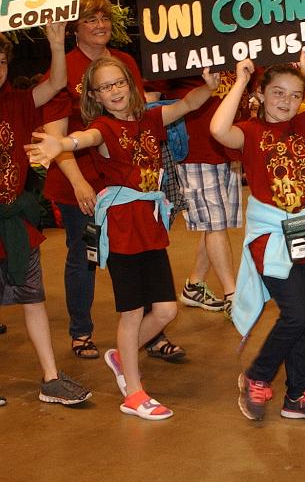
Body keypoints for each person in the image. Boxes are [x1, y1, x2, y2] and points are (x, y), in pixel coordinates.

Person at [27, 59, 219, 420]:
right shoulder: (103, 126)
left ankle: (121, 353)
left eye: (118, 83)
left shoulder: (148, 117)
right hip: (121, 226)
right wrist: (62, 143)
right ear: (95, 96)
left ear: (130, 84)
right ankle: (133, 392)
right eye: (105, 87)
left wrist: (209, 85)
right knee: (131, 312)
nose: (114, 91)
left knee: (165, 310)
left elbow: (189, 104)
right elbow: (86, 138)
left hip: (150, 223)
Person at [41, 0, 184, 363]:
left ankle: (152, 333)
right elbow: (58, 136)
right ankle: (81, 332)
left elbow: (140, 115)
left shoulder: (124, 62)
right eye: (91, 20)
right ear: (75, 28)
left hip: (130, 182)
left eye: (105, 18)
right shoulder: (63, 70)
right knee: (84, 256)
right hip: (82, 183)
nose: (101, 26)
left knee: (146, 250)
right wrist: (78, 182)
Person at [210, 53, 305, 423]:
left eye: (294, 94)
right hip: (270, 236)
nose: (285, 101)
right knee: (296, 314)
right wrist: (240, 80)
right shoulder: (250, 132)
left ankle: (298, 395)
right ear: (261, 94)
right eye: (277, 93)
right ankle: (257, 375)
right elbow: (218, 130)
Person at [0, 24, 92, 407]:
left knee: (34, 298)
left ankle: (51, 378)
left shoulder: (18, 101)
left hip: (17, 222)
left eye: (1, 60)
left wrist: (57, 43)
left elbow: (56, 83)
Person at [164, 74, 243, 319]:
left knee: (217, 223)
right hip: (195, 150)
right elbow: (150, 99)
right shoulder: (180, 51)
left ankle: (195, 285)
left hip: (230, 148)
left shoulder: (236, 49)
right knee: (215, 224)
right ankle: (233, 296)